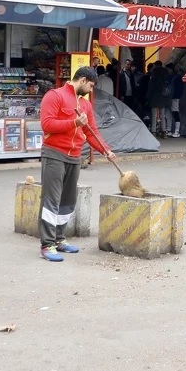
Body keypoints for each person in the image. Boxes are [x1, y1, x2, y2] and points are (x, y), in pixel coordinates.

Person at [38, 66, 115, 262]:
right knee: (51, 200)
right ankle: (47, 245)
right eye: (90, 85)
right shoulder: (54, 96)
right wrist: (74, 123)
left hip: (74, 156)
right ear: (82, 80)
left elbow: (91, 132)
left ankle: (59, 239)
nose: (90, 90)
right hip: (54, 154)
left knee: (67, 201)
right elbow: (47, 125)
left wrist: (105, 150)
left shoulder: (86, 105)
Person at [146, 60, 172, 136]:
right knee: (162, 115)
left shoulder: (154, 74)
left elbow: (150, 87)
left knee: (154, 114)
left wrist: (147, 97)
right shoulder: (166, 74)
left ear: (156, 65)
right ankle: (164, 131)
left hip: (155, 96)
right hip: (164, 97)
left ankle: (153, 131)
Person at [169, 63, 184, 138]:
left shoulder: (176, 78)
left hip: (175, 97)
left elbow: (178, 89)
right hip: (173, 97)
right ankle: (174, 130)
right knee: (174, 112)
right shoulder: (174, 77)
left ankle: (177, 131)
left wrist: (175, 95)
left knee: (175, 112)